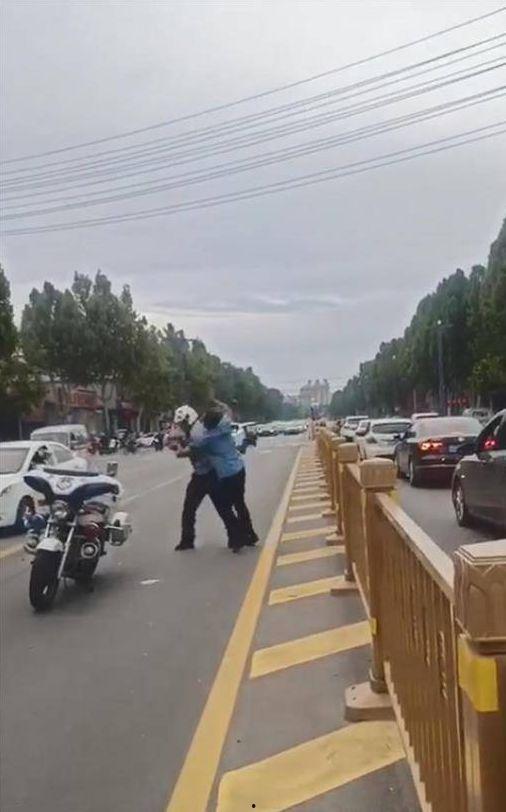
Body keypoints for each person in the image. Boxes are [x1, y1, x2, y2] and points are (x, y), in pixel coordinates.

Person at [169, 405, 240, 551]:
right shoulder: (195, 430)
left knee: (203, 509)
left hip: (208, 474)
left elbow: (188, 452)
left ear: (188, 420)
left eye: (182, 423)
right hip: (204, 473)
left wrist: (178, 449)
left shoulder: (197, 433)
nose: (181, 426)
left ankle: (189, 540)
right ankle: (236, 538)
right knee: (219, 509)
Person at [190, 403, 258, 552]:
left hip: (225, 475)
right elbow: (226, 413)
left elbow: (195, 450)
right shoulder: (225, 427)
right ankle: (250, 534)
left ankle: (237, 538)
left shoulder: (205, 439)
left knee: (224, 507)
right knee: (239, 504)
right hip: (239, 469)